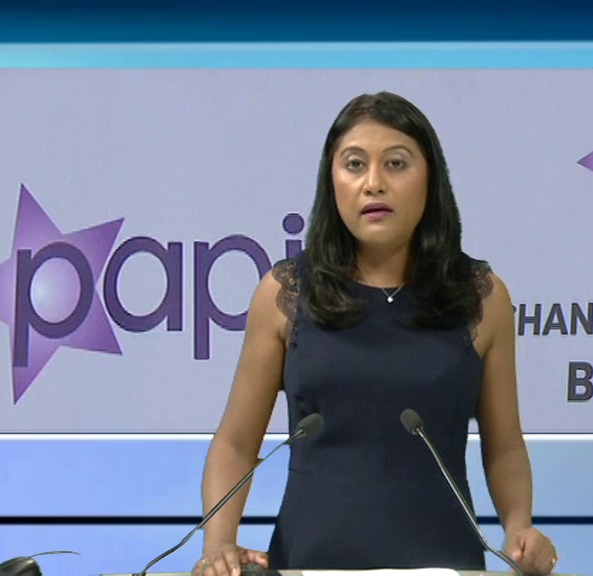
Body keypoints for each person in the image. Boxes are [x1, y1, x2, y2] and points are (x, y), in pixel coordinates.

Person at [191, 91, 558, 576]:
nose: (374, 183)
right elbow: (236, 442)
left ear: (431, 178)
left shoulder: (481, 296)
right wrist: (218, 543)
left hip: (444, 564)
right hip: (308, 563)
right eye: (354, 164)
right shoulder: (285, 293)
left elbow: (505, 445)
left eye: (396, 163)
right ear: (331, 181)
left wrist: (518, 529)